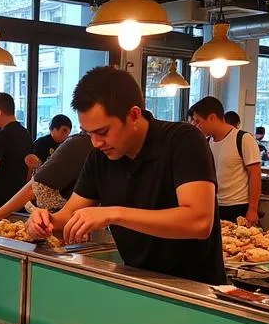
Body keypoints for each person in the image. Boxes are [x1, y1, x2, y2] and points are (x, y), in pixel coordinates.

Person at [27, 67, 225, 285]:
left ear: (133, 115)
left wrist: (113, 213)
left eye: (102, 132)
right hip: (138, 284)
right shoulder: (99, 158)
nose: (95, 142)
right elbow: (69, 216)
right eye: (88, 133)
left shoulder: (183, 140)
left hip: (197, 291)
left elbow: (199, 222)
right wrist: (43, 223)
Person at [0, 130, 94, 228]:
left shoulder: (85, 146)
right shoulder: (80, 144)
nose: (99, 141)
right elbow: (35, 185)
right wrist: (41, 224)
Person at [187, 96, 262, 225]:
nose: (196, 125)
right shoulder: (206, 142)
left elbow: (255, 174)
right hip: (213, 205)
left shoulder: (243, 138)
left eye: (198, 121)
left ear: (212, 118)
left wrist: (253, 209)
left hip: (238, 206)